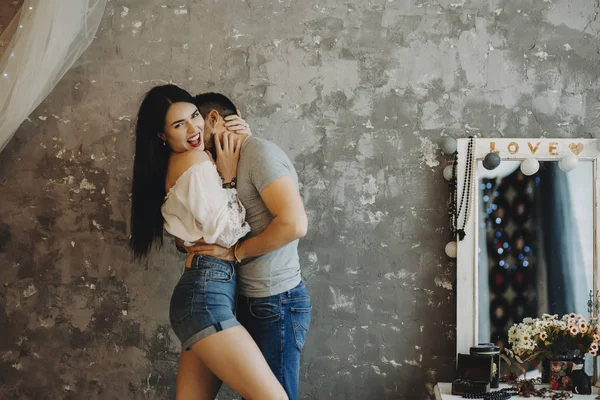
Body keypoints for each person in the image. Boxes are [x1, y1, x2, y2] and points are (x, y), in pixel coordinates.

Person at [129, 84, 288, 400]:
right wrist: (228, 178)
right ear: (162, 136)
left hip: (201, 293)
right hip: (206, 295)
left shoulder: (180, 162)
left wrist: (239, 133)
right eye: (178, 125)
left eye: (193, 116)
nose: (192, 128)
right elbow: (227, 233)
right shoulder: (193, 161)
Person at [177, 92, 312, 400]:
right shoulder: (217, 165)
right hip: (243, 298)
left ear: (213, 118)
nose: (194, 135)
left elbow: (294, 224)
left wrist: (235, 253)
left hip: (277, 302)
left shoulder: (259, 153)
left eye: (198, 122)